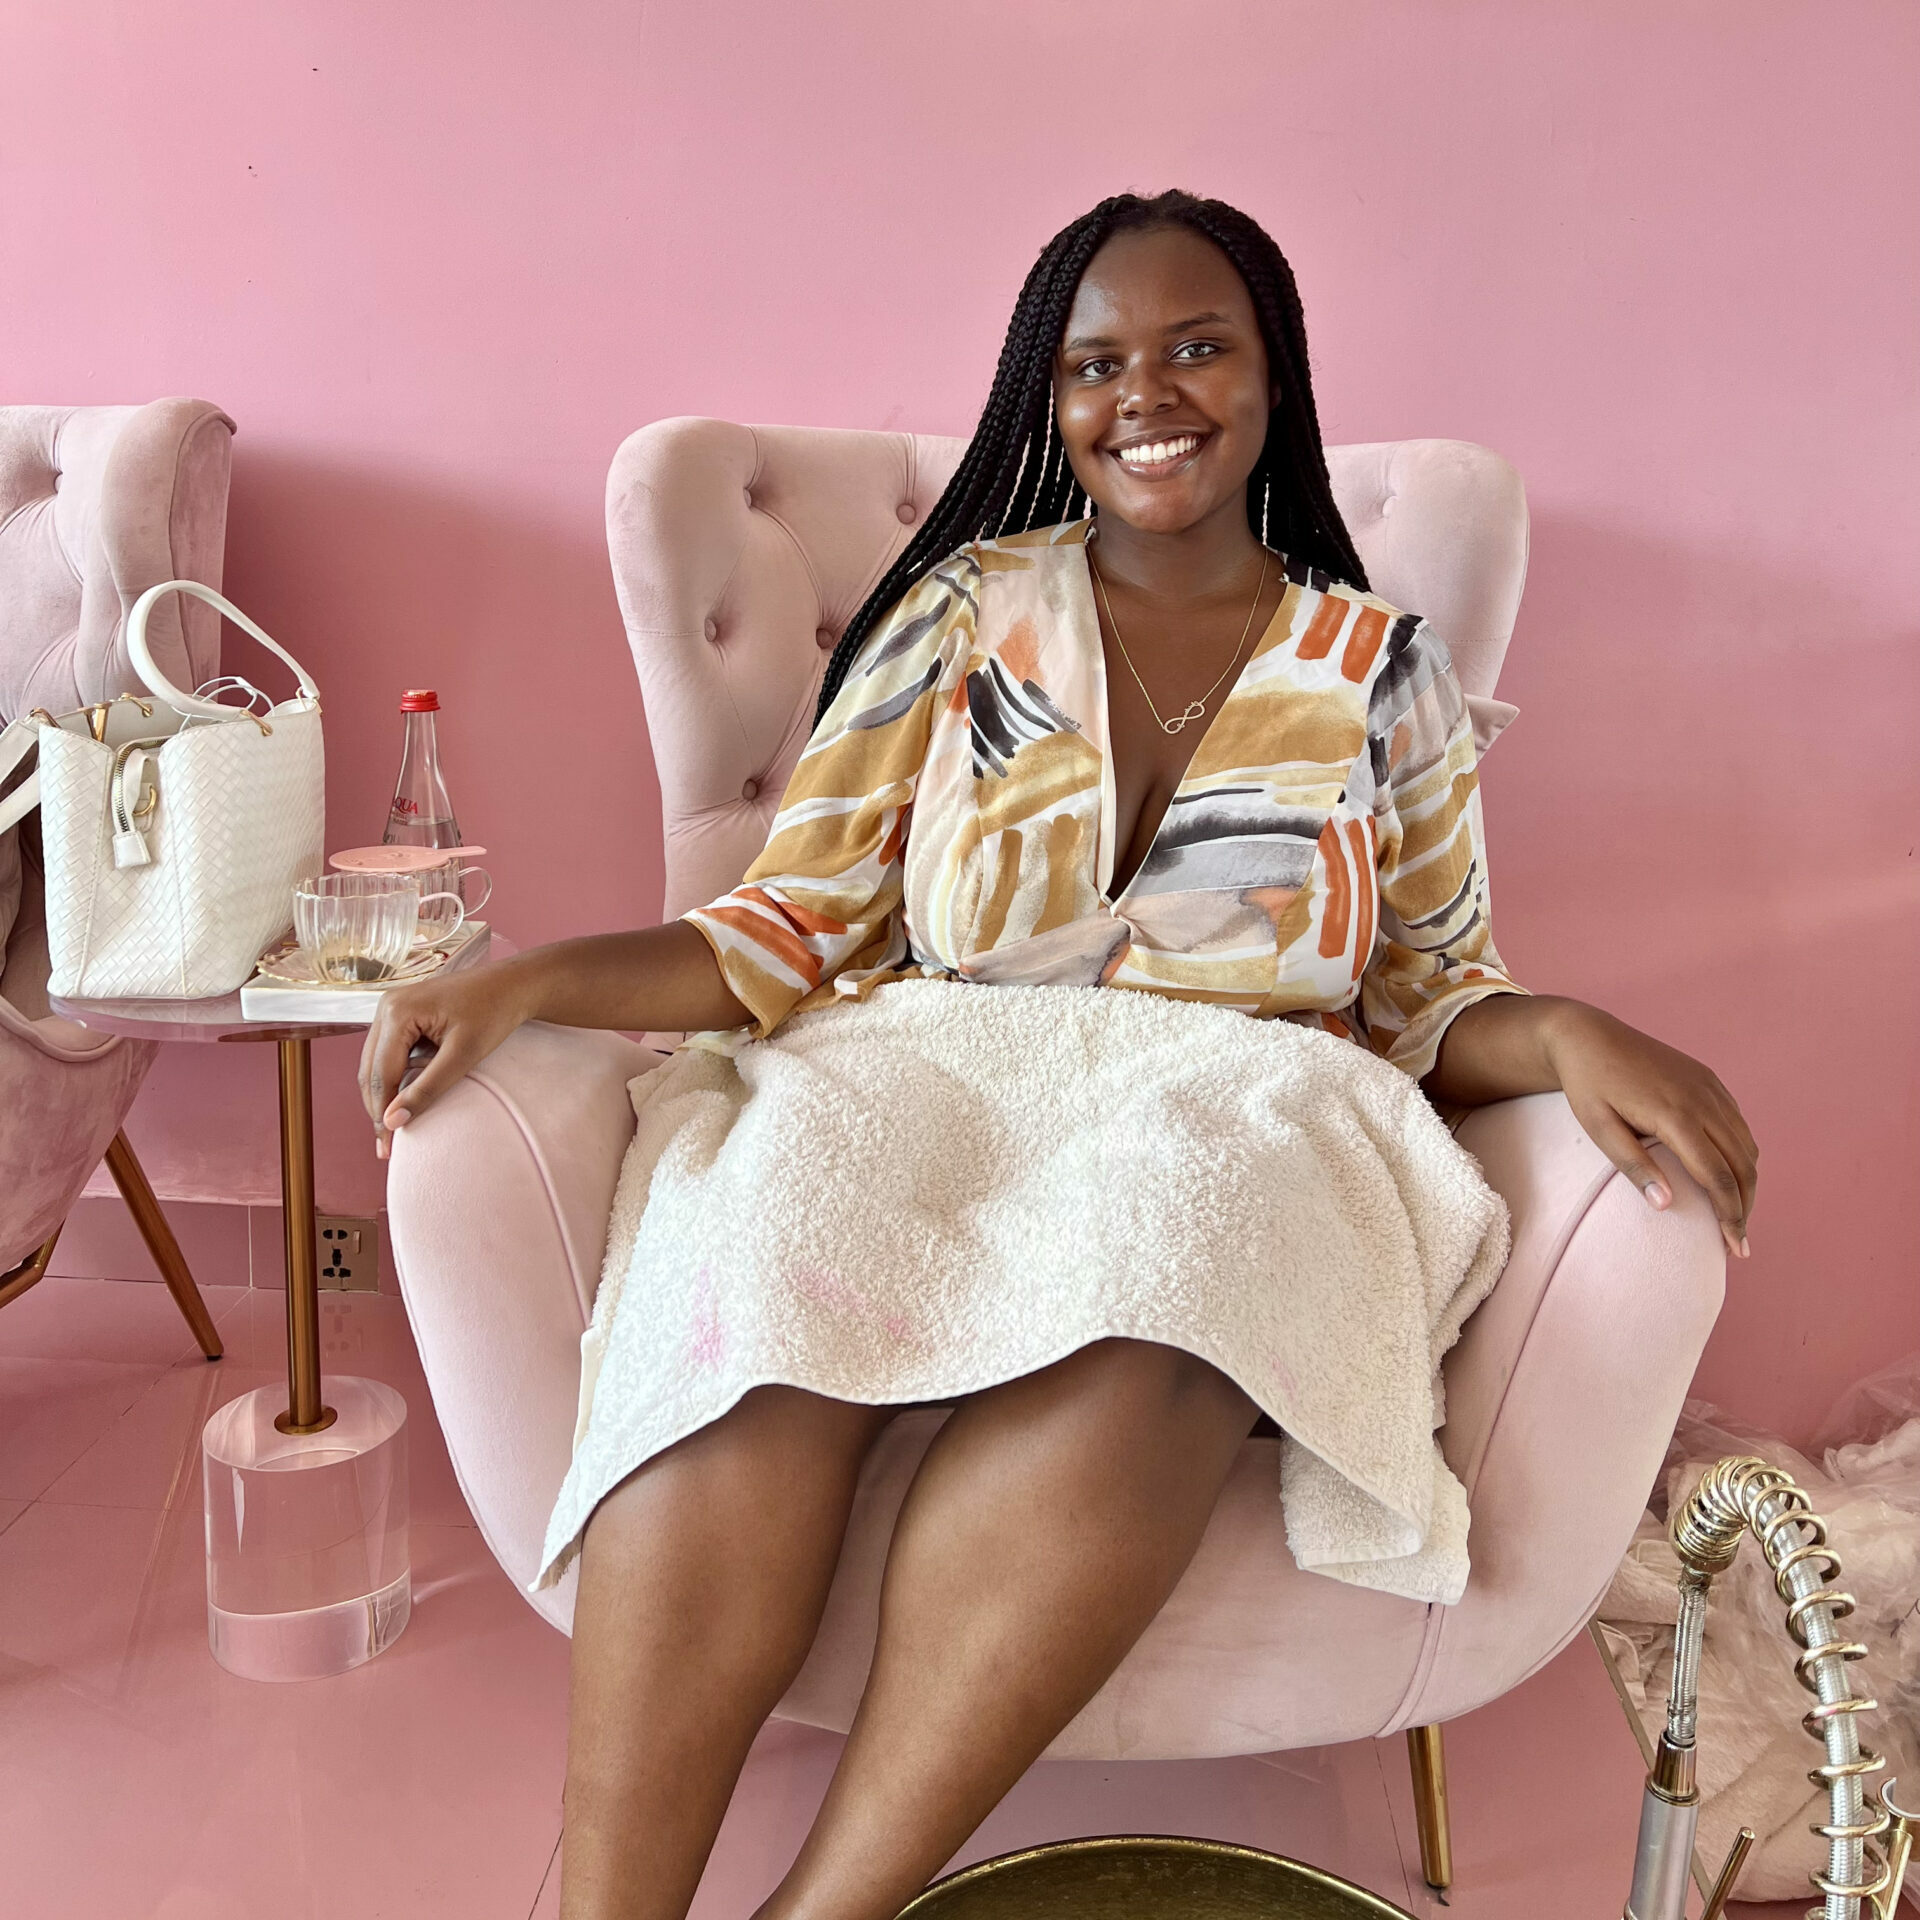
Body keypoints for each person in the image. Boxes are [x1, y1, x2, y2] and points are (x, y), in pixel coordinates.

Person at [359, 190, 1758, 1920]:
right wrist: (533, 980)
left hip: (1237, 1109)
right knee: (755, 1256)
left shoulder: (1383, 670)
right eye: (1098, 363)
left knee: (1191, 1282)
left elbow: (1426, 990)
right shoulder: (956, 616)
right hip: (921, 1076)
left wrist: (1568, 1029)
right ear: (1052, 392)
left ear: (1270, 377)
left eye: (1195, 347)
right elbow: (781, 929)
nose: (1146, 394)